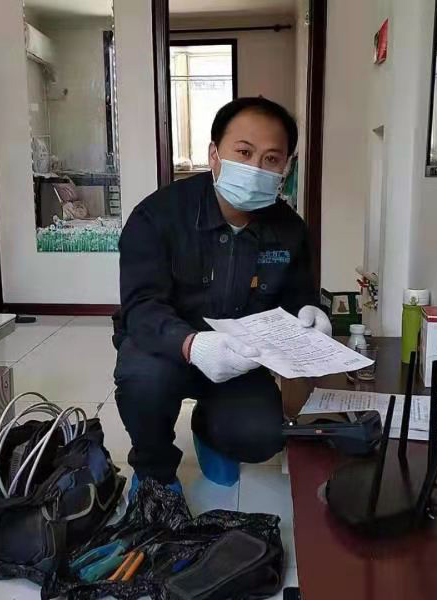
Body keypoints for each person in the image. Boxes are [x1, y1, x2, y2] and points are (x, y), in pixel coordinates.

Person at [113, 97, 331, 496]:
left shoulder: (289, 229)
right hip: (165, 347)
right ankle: (155, 471)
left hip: (242, 356)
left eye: (271, 159)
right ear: (214, 155)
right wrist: (192, 345)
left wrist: (311, 312)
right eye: (244, 153)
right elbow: (141, 307)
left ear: (286, 167)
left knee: (263, 435)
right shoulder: (157, 216)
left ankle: (210, 430)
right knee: (143, 382)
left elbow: (298, 294)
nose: (256, 168)